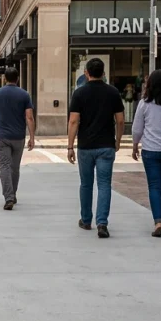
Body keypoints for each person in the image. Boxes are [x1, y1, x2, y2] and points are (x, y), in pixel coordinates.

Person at [68, 57, 125, 238]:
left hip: (85, 146)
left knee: (86, 184)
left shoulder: (79, 94)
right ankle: (102, 223)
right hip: (106, 145)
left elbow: (74, 121)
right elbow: (121, 120)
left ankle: (86, 220)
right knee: (104, 184)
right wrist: (118, 140)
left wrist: (70, 146)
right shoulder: (113, 92)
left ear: (86, 73)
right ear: (104, 73)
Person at [131, 70, 161, 237]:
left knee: (154, 186)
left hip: (150, 150)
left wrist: (135, 145)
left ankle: (157, 221)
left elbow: (137, 128)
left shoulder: (144, 103)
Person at [0, 67, 36, 210]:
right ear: (17, 78)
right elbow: (29, 117)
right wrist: (32, 137)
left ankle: (9, 197)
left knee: (4, 167)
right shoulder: (24, 94)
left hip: (2, 136)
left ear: (5, 79)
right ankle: (12, 194)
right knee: (15, 167)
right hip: (18, 136)